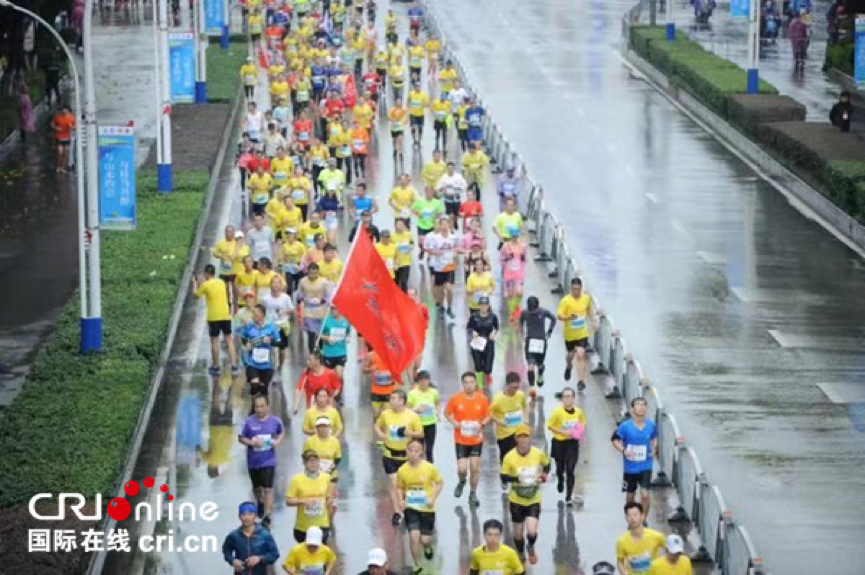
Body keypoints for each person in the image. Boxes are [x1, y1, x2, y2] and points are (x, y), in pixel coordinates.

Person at [501, 424, 550, 565]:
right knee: (517, 533)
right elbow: (503, 477)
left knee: (532, 530)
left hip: (533, 498)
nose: (523, 440)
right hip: (516, 500)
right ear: (516, 439)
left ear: (530, 438)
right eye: (520, 437)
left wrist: (544, 475)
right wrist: (517, 479)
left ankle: (531, 546)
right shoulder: (509, 457)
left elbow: (547, 464)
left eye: (526, 437)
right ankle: (521, 552)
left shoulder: (537, 453)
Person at [375, 389, 425, 526]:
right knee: (394, 483)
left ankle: (408, 507)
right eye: (390, 398)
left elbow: (420, 433)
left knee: (405, 484)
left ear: (402, 401)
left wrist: (408, 432)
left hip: (407, 456)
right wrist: (381, 434)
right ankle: (397, 512)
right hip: (390, 454)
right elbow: (377, 426)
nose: (391, 401)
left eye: (394, 398)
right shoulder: (385, 414)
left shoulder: (412, 416)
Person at [396, 439, 444, 574]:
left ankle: (428, 546)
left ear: (421, 452)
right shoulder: (402, 470)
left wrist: (432, 498)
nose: (412, 454)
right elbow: (400, 487)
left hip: (427, 508)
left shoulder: (429, 468)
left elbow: (440, 483)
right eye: (410, 450)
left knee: (424, 539)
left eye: (416, 451)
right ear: (406, 451)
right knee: (413, 536)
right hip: (411, 508)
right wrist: (401, 500)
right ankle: (417, 565)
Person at [444, 372, 491, 507]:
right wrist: (455, 423)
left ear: (475, 383)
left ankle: (473, 493)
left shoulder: (482, 399)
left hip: (476, 439)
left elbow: (488, 416)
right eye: (466, 382)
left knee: (475, 468)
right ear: (462, 384)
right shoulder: (456, 398)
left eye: (471, 382)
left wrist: (482, 424)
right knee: (462, 469)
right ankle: (462, 480)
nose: (469, 385)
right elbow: (447, 413)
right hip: (461, 439)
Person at [238, 395, 285, 528]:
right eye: (257, 407)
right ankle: (259, 502)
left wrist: (277, 442)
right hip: (253, 461)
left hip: (268, 460)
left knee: (268, 488)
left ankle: (268, 516)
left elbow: (281, 433)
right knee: (257, 488)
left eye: (262, 406)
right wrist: (251, 442)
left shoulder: (275, 421)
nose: (259, 409)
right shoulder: (248, 422)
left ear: (267, 407)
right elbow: (241, 438)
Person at [612, 398, 658, 519]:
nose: (641, 407)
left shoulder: (651, 425)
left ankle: (643, 520)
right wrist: (623, 450)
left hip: (646, 466)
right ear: (632, 409)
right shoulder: (625, 426)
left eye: (643, 405)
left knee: (645, 495)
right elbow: (615, 440)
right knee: (630, 495)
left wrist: (654, 449)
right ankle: (631, 517)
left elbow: (654, 438)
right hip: (630, 468)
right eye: (638, 405)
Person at [193, 264, 240, 375]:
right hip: (225, 315)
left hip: (213, 317)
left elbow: (195, 295)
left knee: (214, 341)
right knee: (229, 340)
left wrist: (195, 283)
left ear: (206, 273)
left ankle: (216, 366)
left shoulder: (205, 285)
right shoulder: (221, 282)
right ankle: (234, 366)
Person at [285, 450, 336, 544]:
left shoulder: (326, 478)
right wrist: (304, 501)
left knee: (319, 555)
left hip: (322, 525)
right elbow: (288, 501)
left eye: (316, 461)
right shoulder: (296, 480)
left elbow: (329, 497)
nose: (313, 464)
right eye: (310, 461)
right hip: (303, 527)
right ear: (304, 463)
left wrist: (329, 500)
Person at [547, 387, 586, 506]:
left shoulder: (578, 412)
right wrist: (563, 432)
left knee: (570, 470)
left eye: (570, 396)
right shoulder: (557, 412)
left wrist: (578, 432)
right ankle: (560, 479)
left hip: (572, 444)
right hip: (559, 443)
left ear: (574, 398)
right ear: (562, 399)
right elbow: (550, 425)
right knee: (560, 469)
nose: (568, 399)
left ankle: (568, 497)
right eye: (565, 397)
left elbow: (582, 423)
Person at [556, 277, 596, 390]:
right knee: (570, 356)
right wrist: (569, 317)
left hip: (582, 333)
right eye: (574, 289)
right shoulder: (565, 301)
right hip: (569, 334)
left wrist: (594, 321)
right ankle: (569, 366)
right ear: (571, 289)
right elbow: (559, 316)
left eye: (578, 289)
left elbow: (589, 310)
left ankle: (581, 381)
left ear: (581, 288)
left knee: (581, 354)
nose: (576, 292)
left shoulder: (586, 298)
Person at [222, 501, 280, 575]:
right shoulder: (233, 536)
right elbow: (226, 551)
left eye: (250, 514)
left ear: (255, 516)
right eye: (243, 514)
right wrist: (233, 561)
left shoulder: (265, 535)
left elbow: (274, 554)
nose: (247, 517)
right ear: (239, 516)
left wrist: (260, 559)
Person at [490, 372, 528, 482]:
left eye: (517, 387)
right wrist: (498, 421)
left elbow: (525, 406)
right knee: (505, 456)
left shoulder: (520, 395)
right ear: (507, 385)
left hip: (517, 430)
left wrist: (525, 418)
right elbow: (490, 413)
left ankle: (519, 475)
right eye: (512, 387)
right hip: (503, 433)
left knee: (520, 452)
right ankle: (504, 475)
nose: (514, 390)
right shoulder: (498, 399)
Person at [239, 304, 281, 396]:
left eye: (255, 314)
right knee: (255, 384)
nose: (253, 316)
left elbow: (280, 343)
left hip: (267, 365)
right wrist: (247, 344)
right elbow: (243, 338)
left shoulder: (271, 327)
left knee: (263, 389)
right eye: (253, 313)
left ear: (262, 315)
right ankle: (253, 406)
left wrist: (270, 341)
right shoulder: (249, 326)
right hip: (252, 363)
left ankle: (261, 407)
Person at [615, 502, 666, 575]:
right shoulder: (621, 541)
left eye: (635, 515)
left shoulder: (656, 536)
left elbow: (670, 551)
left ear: (642, 516)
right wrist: (624, 573)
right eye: (629, 515)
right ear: (626, 518)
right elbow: (620, 562)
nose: (632, 518)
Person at [424, 216, 459, 318]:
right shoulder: (435, 238)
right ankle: (441, 306)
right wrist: (435, 252)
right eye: (442, 224)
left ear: (448, 224)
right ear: (439, 225)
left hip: (449, 265)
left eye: (446, 224)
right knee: (439, 290)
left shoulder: (453, 237)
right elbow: (428, 250)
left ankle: (449, 308)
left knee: (449, 288)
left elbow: (456, 246)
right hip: (438, 266)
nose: (444, 226)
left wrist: (455, 253)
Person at [519, 295, 556, 391]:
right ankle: (531, 388)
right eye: (531, 311)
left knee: (539, 364)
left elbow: (553, 319)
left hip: (541, 342)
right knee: (530, 366)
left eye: (534, 311)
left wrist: (549, 332)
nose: (532, 312)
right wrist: (522, 334)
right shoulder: (525, 313)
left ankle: (540, 373)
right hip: (530, 342)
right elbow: (520, 322)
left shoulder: (543, 312)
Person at [296, 263, 334, 353]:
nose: (313, 275)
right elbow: (299, 295)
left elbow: (329, 296)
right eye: (311, 273)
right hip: (308, 310)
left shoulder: (324, 282)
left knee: (320, 333)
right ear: (307, 272)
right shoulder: (303, 281)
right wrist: (302, 300)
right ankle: (312, 355)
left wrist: (321, 301)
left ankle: (320, 353)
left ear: (318, 273)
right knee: (311, 334)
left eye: (315, 273)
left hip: (321, 310)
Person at [407, 370, 440, 462]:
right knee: (418, 450)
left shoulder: (434, 392)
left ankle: (430, 470)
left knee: (429, 450)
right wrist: (416, 410)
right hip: (417, 425)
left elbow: (437, 403)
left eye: (426, 380)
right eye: (421, 380)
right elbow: (407, 410)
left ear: (429, 381)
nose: (424, 382)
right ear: (418, 381)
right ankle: (418, 469)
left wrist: (437, 412)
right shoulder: (412, 393)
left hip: (430, 424)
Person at [260, 276, 294, 368]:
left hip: (283, 325)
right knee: (272, 347)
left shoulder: (285, 297)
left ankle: (281, 365)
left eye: (278, 283)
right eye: (273, 282)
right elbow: (261, 310)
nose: (275, 285)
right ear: (270, 284)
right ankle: (273, 365)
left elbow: (291, 309)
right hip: (270, 325)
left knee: (282, 349)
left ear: (280, 285)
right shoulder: (265, 298)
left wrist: (284, 311)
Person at [467, 296, 499, 386]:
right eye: (481, 305)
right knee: (478, 366)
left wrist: (493, 333)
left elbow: (496, 327)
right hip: (477, 342)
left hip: (488, 343)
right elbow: (468, 327)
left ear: (488, 306)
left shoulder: (493, 317)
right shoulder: (474, 317)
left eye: (485, 305)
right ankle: (480, 386)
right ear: (479, 306)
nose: (483, 307)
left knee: (488, 366)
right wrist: (473, 332)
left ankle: (488, 374)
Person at [303, 416, 343, 484]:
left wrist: (330, 469)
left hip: (331, 475)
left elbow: (337, 458)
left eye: (325, 426)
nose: (322, 429)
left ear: (329, 427)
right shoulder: (309, 441)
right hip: (313, 474)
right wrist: (314, 468)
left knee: (329, 494)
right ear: (316, 428)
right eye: (320, 426)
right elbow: (305, 457)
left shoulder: (335, 441)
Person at [319, 308, 351, 383]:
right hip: (328, 353)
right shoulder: (326, 320)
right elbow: (319, 334)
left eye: (335, 309)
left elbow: (348, 332)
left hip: (341, 352)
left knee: (339, 375)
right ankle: (332, 391)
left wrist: (348, 338)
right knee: (330, 377)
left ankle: (339, 392)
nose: (332, 311)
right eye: (331, 309)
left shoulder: (346, 321)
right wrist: (327, 338)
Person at [437, 161, 468, 230]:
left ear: (454, 169)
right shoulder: (444, 177)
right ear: (447, 169)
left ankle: (455, 221)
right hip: (447, 199)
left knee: (456, 214)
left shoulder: (458, 177)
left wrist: (459, 189)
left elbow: (465, 185)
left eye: (451, 168)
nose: (450, 170)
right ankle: (451, 229)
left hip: (456, 198)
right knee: (450, 214)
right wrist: (442, 188)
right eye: (449, 168)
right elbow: (438, 186)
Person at [51, 106, 76, 173]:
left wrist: (72, 127)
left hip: (67, 137)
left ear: (68, 111)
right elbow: (52, 124)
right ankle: (58, 166)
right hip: (59, 137)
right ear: (61, 111)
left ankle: (63, 167)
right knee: (60, 152)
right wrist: (56, 128)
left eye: (66, 111)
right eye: (63, 111)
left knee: (66, 153)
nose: (64, 112)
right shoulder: (58, 117)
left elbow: (75, 126)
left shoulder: (71, 117)